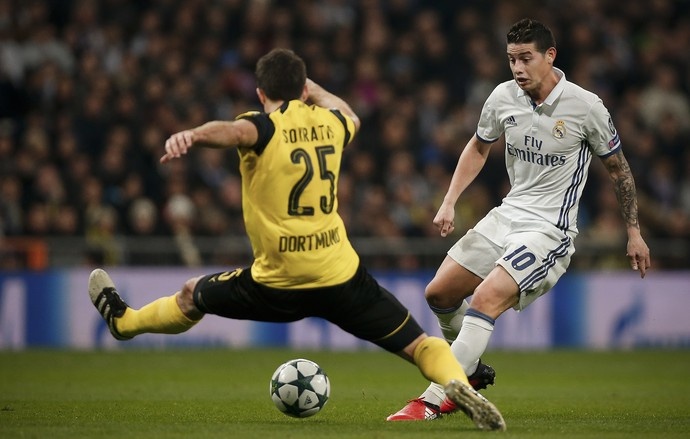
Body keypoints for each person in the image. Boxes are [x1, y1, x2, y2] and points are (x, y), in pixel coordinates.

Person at [88, 48, 506, 431]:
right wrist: (314, 90)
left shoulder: (263, 126)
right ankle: (455, 381)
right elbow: (350, 114)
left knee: (190, 295)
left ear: (260, 93)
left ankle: (125, 323)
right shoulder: (330, 123)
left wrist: (193, 135)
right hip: (341, 278)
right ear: (304, 90)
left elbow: (231, 132)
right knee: (419, 345)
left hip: (276, 283)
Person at [387, 18, 651, 421]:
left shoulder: (586, 107)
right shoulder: (502, 96)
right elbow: (478, 146)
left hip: (549, 231)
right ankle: (470, 369)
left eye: (526, 58)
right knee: (439, 294)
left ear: (550, 56)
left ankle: (435, 398)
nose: (518, 68)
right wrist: (449, 201)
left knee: (485, 299)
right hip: (507, 215)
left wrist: (634, 232)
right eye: (512, 59)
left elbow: (618, 169)